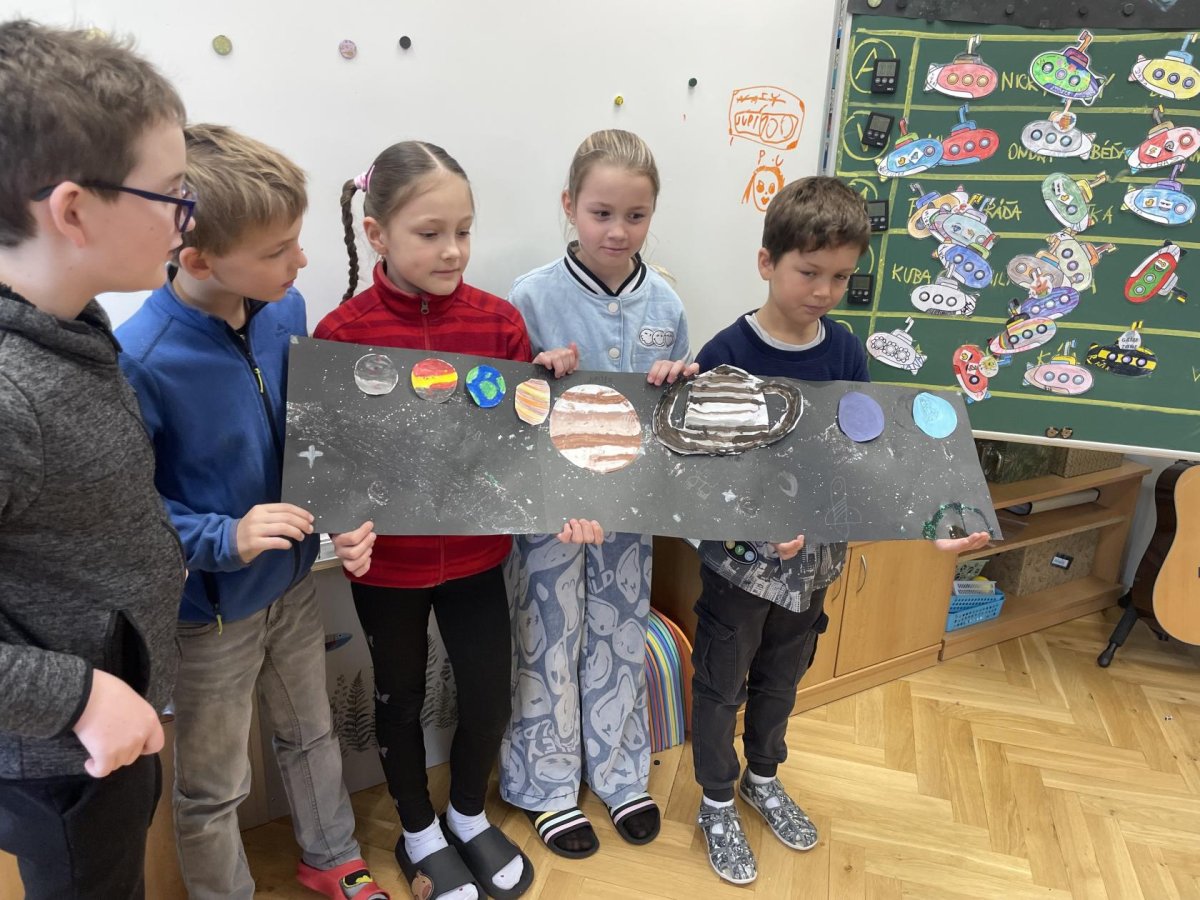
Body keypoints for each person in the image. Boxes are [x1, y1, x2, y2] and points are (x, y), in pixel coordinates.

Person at [687, 176, 991, 885]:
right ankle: (714, 799)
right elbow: (701, 471)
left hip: (814, 561)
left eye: (841, 277)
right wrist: (759, 523)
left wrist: (932, 520)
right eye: (809, 272)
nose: (824, 291)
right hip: (739, 566)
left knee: (783, 676)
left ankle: (763, 778)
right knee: (722, 682)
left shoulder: (846, 350)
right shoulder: (727, 351)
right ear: (767, 262)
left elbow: (866, 452)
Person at [315, 140, 594, 900]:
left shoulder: (498, 323)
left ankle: (467, 814)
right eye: (430, 233)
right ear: (377, 234)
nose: (453, 250)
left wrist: (544, 385)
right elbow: (327, 456)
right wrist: (339, 523)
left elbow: (523, 442)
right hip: (389, 567)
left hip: (476, 557)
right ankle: (417, 830)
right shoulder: (341, 333)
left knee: (488, 690)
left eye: (464, 231)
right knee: (399, 697)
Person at [116, 124, 386, 900]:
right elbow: (130, 510)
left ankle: (331, 856)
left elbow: (313, 434)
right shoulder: (141, 358)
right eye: (278, 250)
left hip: (292, 588)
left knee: (312, 734)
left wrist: (342, 513)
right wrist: (224, 536)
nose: (300, 261)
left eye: (296, 240)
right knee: (213, 787)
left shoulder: (284, 308)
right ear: (198, 259)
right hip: (208, 618)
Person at [0, 20, 189, 900]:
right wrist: (77, 696)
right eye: (173, 194)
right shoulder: (10, 393)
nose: (186, 218)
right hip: (62, 758)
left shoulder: (71, 327)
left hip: (110, 722)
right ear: (74, 211)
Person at [500, 129, 696, 859]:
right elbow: (502, 412)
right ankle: (546, 785)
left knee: (621, 632)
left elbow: (672, 416)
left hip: (627, 504)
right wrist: (535, 372)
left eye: (635, 216)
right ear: (569, 207)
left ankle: (619, 773)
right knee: (547, 636)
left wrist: (675, 379)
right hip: (548, 507)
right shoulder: (530, 296)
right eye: (601, 213)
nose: (618, 231)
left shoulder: (665, 303)